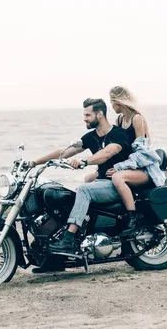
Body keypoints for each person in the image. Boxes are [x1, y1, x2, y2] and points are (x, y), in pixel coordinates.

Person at [28, 98, 132, 256]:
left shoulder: (119, 134)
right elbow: (64, 152)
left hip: (117, 184)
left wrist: (84, 161)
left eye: (87, 115)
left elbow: (106, 153)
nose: (84, 118)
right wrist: (35, 162)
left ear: (100, 115)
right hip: (101, 182)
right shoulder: (91, 137)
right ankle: (53, 253)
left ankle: (68, 239)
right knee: (66, 196)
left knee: (84, 190)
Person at [105, 85, 164, 237]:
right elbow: (119, 149)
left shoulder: (137, 118)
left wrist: (119, 167)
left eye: (112, 102)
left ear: (119, 101)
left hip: (145, 169)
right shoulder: (119, 119)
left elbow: (142, 153)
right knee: (92, 177)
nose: (112, 106)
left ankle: (132, 217)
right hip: (129, 167)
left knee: (117, 177)